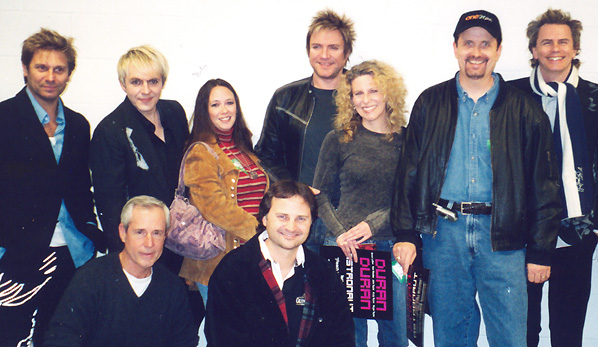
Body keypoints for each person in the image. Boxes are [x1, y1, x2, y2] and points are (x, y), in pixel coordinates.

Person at [391, 10, 561, 347]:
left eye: (485, 44)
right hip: (444, 238)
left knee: (511, 336)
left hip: (504, 239)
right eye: (468, 43)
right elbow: (408, 172)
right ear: (455, 47)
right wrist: (405, 233)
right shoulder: (430, 102)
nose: (476, 51)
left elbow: (545, 183)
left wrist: (541, 250)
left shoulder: (524, 109)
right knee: (451, 334)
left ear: (498, 49)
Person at [0, 28, 105, 346]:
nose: (50, 76)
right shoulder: (4, 118)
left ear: (69, 74)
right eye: (41, 67)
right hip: (17, 254)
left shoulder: (77, 124)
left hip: (72, 252)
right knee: (11, 336)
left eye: (59, 69)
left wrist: (90, 230)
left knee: (60, 336)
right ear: (25, 68)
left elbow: (80, 188)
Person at [509, 9, 598, 347]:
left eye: (563, 41)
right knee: (522, 331)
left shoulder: (594, 98)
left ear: (575, 49)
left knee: (567, 332)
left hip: (577, 230)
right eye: (546, 42)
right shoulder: (510, 96)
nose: (555, 48)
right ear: (534, 50)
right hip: (522, 230)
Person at [313, 60, 408, 347]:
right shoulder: (339, 139)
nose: (366, 101)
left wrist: (373, 223)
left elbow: (410, 199)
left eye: (373, 91)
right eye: (358, 94)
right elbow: (319, 196)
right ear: (349, 99)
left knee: (395, 338)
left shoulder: (407, 140)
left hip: (390, 249)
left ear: (388, 93)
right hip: (343, 247)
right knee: (347, 338)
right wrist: (340, 233)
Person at [206, 180, 354, 346]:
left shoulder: (324, 273)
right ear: (264, 219)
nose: (291, 227)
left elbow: (342, 338)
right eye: (282, 217)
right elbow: (222, 339)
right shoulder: (232, 270)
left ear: (311, 222)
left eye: (301, 219)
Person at [254, 9, 356, 253]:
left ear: (347, 53)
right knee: (298, 289)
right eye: (316, 47)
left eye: (333, 47)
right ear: (308, 50)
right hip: (297, 218)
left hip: (347, 222)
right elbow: (266, 155)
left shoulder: (363, 99)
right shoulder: (285, 98)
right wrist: (296, 189)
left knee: (340, 290)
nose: (324, 55)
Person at [44, 196, 199, 347]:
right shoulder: (91, 278)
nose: (149, 243)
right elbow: (60, 339)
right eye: (140, 232)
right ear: (123, 233)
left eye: (157, 233)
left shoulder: (172, 288)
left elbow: (184, 342)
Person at [90, 45, 189, 273]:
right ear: (123, 84)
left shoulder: (174, 113)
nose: (146, 90)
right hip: (143, 247)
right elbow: (110, 206)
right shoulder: (110, 130)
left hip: (181, 241)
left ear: (163, 82)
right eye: (136, 82)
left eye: (153, 81)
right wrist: (125, 263)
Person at [178, 78, 269, 312]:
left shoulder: (245, 149)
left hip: (251, 254)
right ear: (204, 111)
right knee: (225, 334)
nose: (225, 110)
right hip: (218, 260)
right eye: (215, 105)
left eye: (229, 103)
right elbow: (213, 205)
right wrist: (259, 230)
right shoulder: (201, 151)